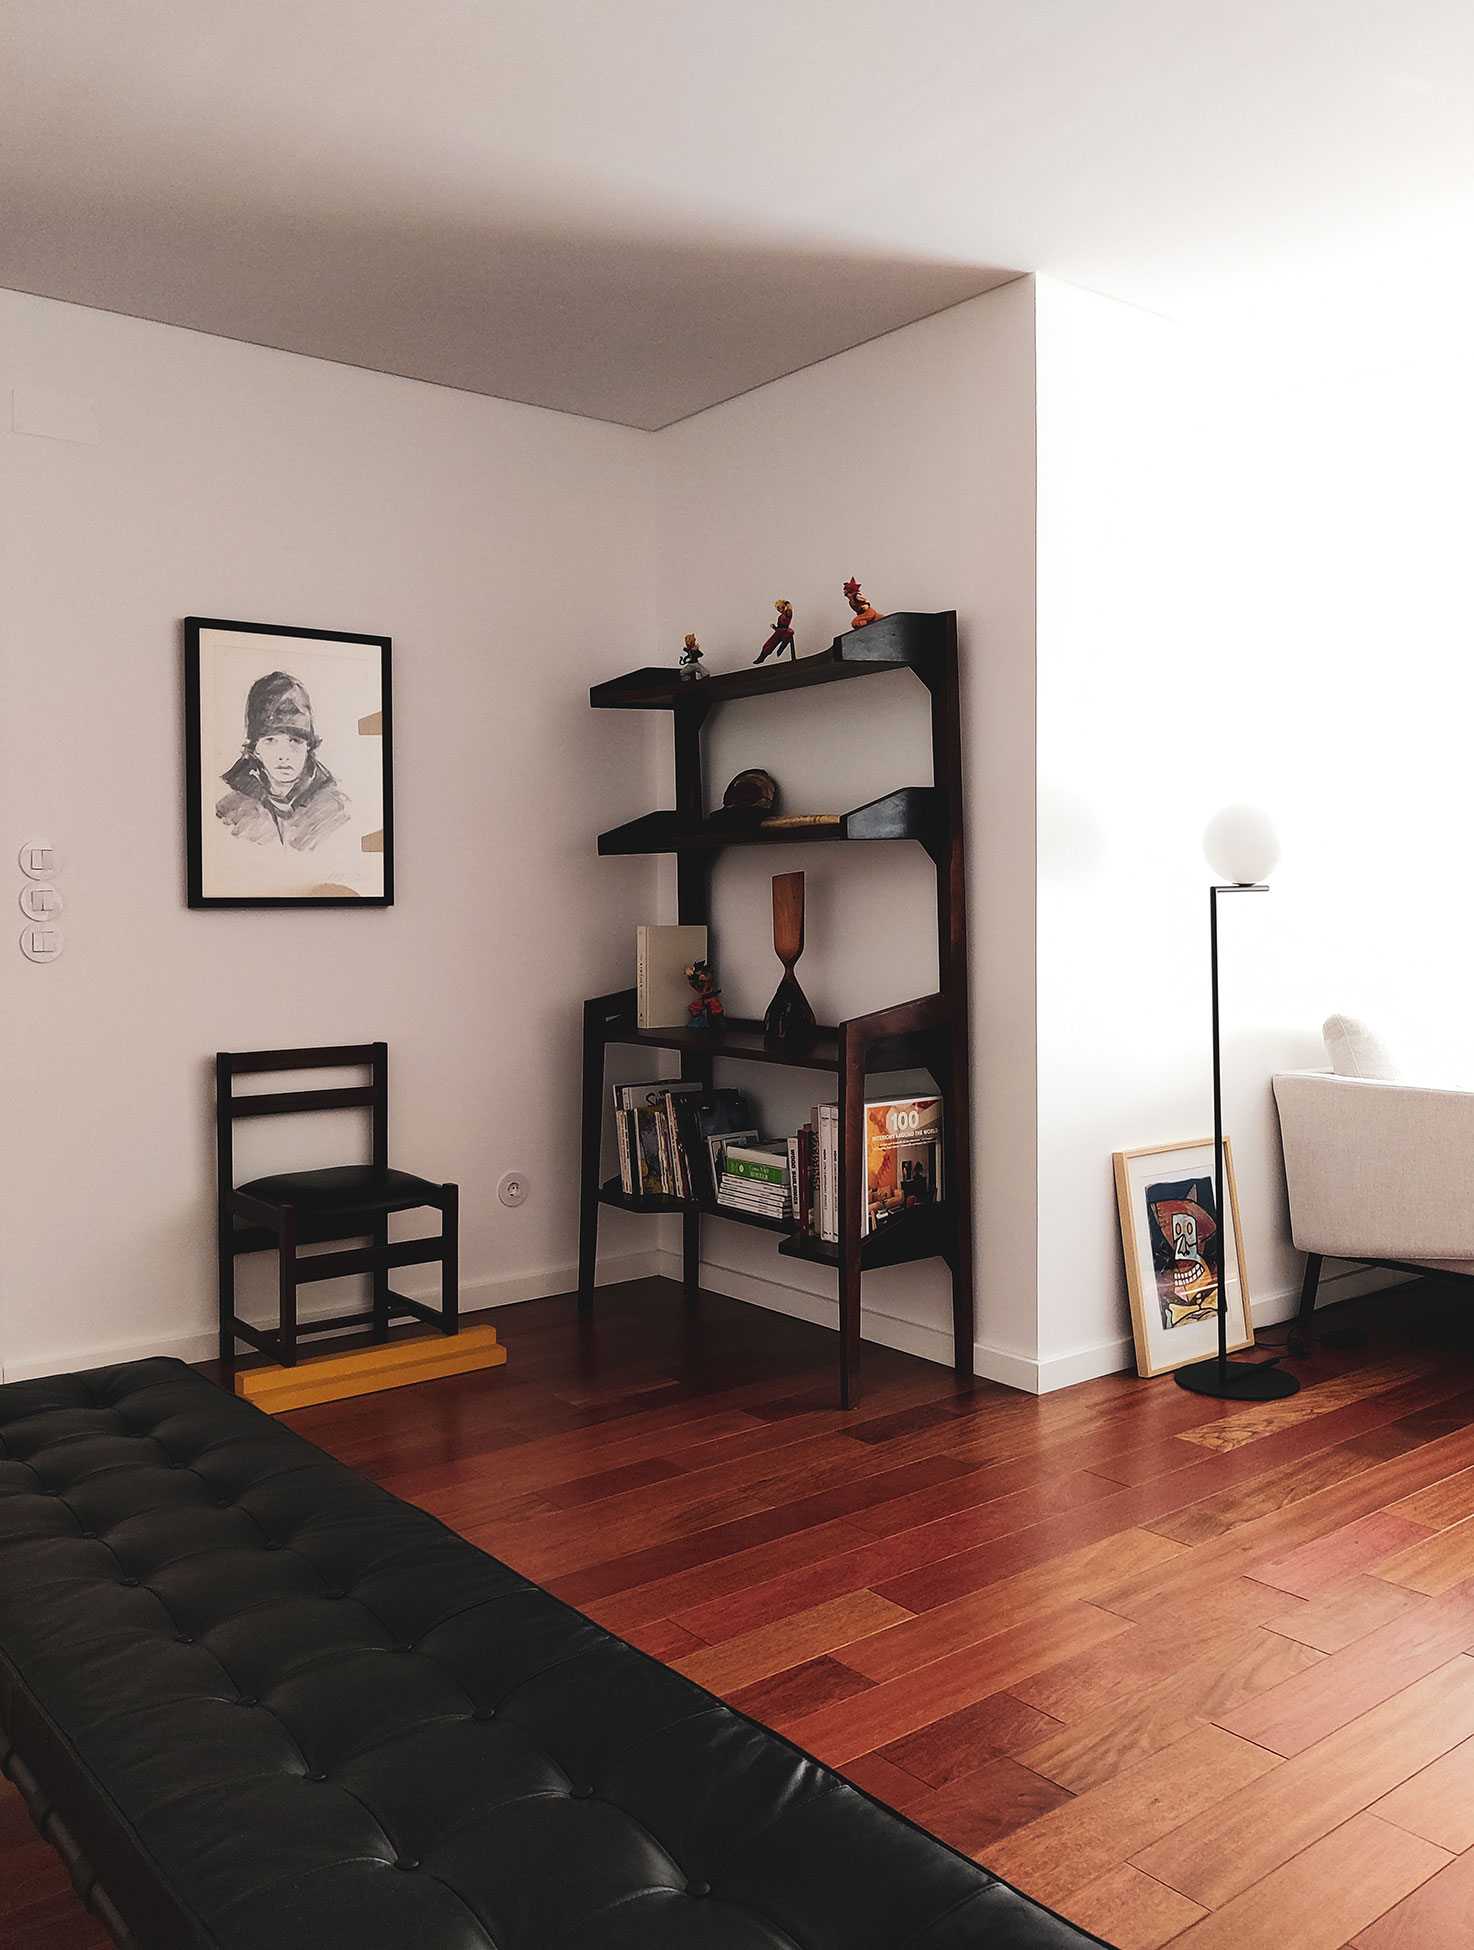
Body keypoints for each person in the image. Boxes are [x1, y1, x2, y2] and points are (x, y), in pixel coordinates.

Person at [215, 671, 350, 851]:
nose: (284, 755)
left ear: (308, 747)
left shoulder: (334, 811)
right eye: (271, 740)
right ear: (255, 748)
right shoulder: (230, 812)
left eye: (295, 740)